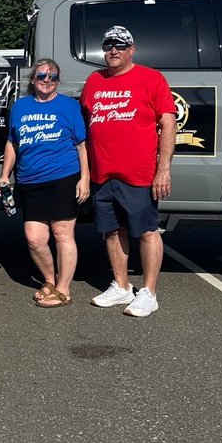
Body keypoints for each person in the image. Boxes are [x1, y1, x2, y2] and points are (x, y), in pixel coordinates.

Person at [81, 26, 176, 319]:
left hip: (139, 174)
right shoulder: (94, 80)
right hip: (103, 173)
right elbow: (86, 126)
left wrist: (164, 170)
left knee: (147, 232)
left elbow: (168, 123)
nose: (113, 50)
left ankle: (148, 292)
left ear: (131, 49)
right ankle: (121, 286)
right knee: (112, 231)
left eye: (120, 46)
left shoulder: (151, 79)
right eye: (109, 45)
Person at [0, 59, 90, 308]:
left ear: (58, 80)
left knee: (62, 233)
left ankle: (63, 289)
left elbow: (81, 146)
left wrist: (85, 179)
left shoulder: (69, 106)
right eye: (42, 76)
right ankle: (49, 280)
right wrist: (5, 175)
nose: (47, 81)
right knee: (34, 238)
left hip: (63, 178)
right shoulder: (20, 107)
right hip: (29, 180)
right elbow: (12, 143)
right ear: (32, 79)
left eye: (53, 77)